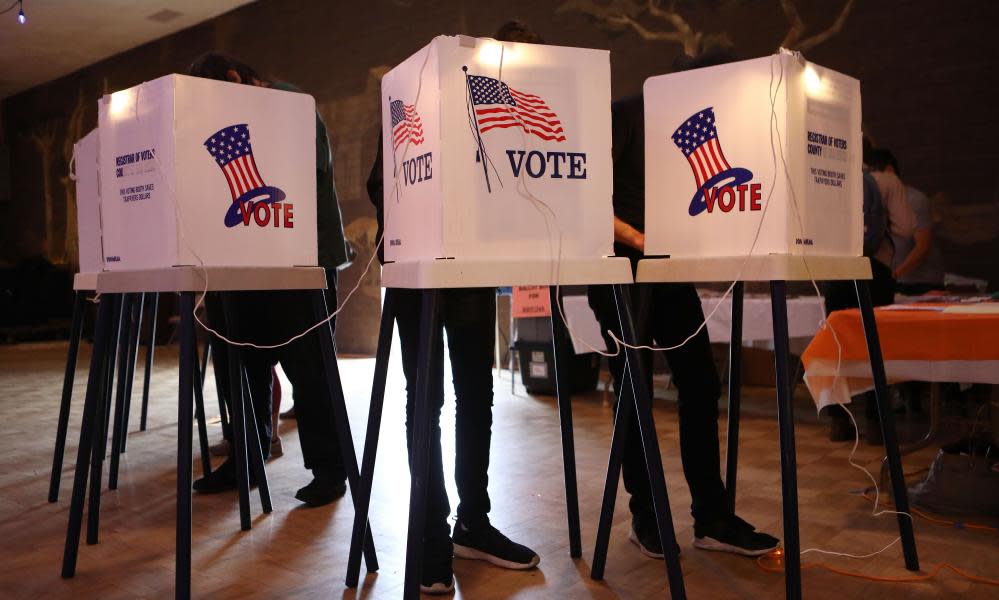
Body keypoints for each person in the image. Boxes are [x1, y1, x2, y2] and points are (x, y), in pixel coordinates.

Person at [365, 21, 544, 596]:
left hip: (472, 275)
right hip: (420, 276)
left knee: (477, 398)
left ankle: (473, 522)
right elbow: (380, 182)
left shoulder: (506, 108)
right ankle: (430, 536)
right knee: (427, 404)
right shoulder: (428, 90)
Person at [587, 47, 780, 559]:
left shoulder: (698, 127)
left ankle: (711, 518)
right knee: (636, 392)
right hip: (617, 271)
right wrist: (639, 238)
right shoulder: (625, 114)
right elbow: (583, 198)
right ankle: (644, 517)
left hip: (666, 272)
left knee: (700, 381)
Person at [188, 53, 350, 507]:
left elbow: (304, 172)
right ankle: (247, 459)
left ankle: (330, 471)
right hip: (243, 257)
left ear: (237, 80)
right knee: (240, 364)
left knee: (310, 371)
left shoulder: (288, 101)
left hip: (300, 259)